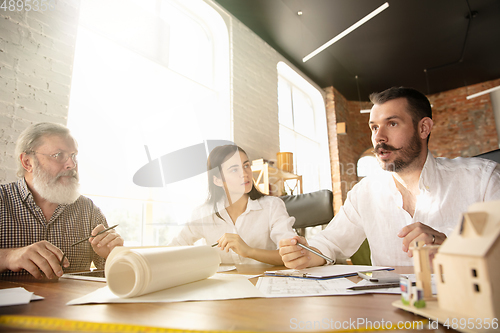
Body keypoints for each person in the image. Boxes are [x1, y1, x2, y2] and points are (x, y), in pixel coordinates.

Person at [279, 87, 500, 268]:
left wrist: (452, 245)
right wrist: (306, 254)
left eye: (392, 123)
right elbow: (331, 243)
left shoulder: (483, 179)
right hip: (389, 316)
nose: (379, 138)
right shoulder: (364, 192)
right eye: (374, 127)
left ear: (424, 128)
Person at [0, 122, 124, 279]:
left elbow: (117, 276)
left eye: (73, 156)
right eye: (58, 155)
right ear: (27, 162)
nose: (71, 164)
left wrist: (113, 255)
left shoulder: (89, 210)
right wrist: (8, 257)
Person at [169, 145, 297, 265]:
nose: (245, 174)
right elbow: (174, 249)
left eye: (246, 165)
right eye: (234, 169)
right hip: (221, 286)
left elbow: (293, 254)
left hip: (263, 283)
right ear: (218, 180)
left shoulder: (272, 206)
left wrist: (249, 251)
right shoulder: (203, 213)